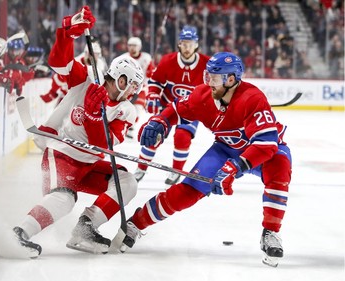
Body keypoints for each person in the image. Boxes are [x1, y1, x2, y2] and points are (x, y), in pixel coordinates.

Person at [120, 52, 292, 268]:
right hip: (225, 150)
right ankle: (136, 223)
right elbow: (175, 110)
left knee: (280, 168)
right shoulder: (203, 95)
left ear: (231, 80)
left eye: (214, 77)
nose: (208, 81)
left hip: (262, 152)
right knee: (188, 191)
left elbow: (266, 145)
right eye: (207, 75)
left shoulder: (252, 98)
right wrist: (160, 121)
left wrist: (235, 167)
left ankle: (271, 233)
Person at [12, 6, 144, 258]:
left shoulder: (126, 110)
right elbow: (58, 62)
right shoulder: (85, 80)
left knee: (127, 182)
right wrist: (67, 32)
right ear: (122, 78)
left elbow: (103, 146)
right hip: (61, 155)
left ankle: (85, 228)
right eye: (133, 84)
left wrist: (95, 117)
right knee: (64, 198)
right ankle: (19, 233)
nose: (134, 91)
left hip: (88, 164)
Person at [134, 25, 211, 185]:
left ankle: (176, 171)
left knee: (182, 137)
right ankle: (141, 168)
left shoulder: (207, 65)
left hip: (191, 109)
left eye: (190, 43)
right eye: (184, 43)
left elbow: (212, 89)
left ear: (196, 44)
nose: (187, 47)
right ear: (179, 44)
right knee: (153, 133)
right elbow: (155, 81)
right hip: (168, 106)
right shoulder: (168, 61)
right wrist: (153, 94)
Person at [120, 36, 155, 139]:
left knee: (138, 108)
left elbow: (151, 73)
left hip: (141, 88)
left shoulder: (146, 58)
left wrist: (151, 72)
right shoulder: (124, 58)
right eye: (130, 45)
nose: (132, 48)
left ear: (139, 47)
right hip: (126, 88)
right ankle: (122, 125)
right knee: (124, 108)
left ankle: (130, 127)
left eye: (134, 46)